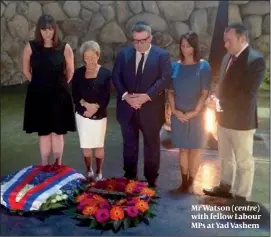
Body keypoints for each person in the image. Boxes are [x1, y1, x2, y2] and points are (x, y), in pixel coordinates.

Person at [203, 23, 266, 201]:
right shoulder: (227, 57)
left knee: (244, 161)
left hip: (242, 121)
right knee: (225, 157)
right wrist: (214, 96)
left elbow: (247, 95)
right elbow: (221, 83)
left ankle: (241, 195)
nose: (225, 45)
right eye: (225, 41)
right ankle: (225, 186)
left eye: (229, 41)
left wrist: (219, 103)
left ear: (242, 39)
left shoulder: (256, 61)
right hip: (223, 118)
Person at [112, 21, 171, 188]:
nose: (138, 44)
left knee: (152, 145)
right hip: (127, 108)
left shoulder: (162, 56)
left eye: (142, 41)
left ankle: (151, 180)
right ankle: (129, 177)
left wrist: (147, 96)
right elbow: (116, 77)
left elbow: (164, 79)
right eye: (135, 41)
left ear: (150, 38)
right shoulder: (124, 54)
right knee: (129, 145)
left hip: (151, 108)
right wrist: (125, 96)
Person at [22, 14, 76, 166]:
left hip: (60, 94)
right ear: (39, 30)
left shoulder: (64, 47)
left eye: (50, 29)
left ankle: (58, 164)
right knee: (44, 132)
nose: (47, 32)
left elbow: (70, 71)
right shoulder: (30, 47)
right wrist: (39, 83)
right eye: (44, 29)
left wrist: (59, 84)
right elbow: (26, 70)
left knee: (57, 132)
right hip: (39, 95)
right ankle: (44, 163)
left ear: (55, 30)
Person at [168, 31, 212, 193]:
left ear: (195, 46)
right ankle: (184, 181)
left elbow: (205, 92)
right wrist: (174, 111)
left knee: (195, 148)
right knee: (183, 148)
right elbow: (170, 91)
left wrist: (195, 111)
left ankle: (192, 182)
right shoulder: (174, 66)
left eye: (188, 46)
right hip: (178, 114)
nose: (185, 49)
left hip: (197, 115)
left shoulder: (203, 66)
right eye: (183, 45)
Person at [72, 41, 111, 181]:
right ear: (83, 57)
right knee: (86, 145)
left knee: (99, 144)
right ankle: (89, 170)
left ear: (98, 55)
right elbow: (75, 95)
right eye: (86, 57)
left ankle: (99, 172)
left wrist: (94, 108)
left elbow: (106, 97)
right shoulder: (78, 73)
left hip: (99, 115)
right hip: (82, 114)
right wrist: (85, 105)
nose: (90, 60)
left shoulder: (106, 73)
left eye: (92, 57)